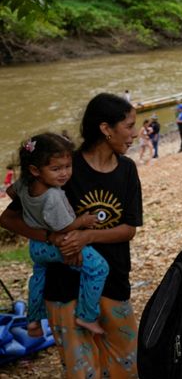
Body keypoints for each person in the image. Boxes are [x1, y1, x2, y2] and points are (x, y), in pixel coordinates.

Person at [1, 92, 143, 378]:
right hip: (64, 289)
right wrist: (50, 238)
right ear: (106, 129)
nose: (135, 134)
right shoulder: (61, 167)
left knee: (127, 364)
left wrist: (86, 237)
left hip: (113, 281)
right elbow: (8, 217)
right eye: (128, 126)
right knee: (80, 372)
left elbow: (128, 228)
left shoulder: (127, 170)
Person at [9, 133, 108, 337]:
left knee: (39, 276)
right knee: (98, 268)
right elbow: (65, 227)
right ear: (35, 170)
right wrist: (84, 221)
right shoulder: (53, 196)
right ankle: (87, 315)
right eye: (56, 169)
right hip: (55, 244)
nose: (64, 174)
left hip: (36, 245)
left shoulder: (25, 184)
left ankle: (34, 321)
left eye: (67, 166)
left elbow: (11, 192)